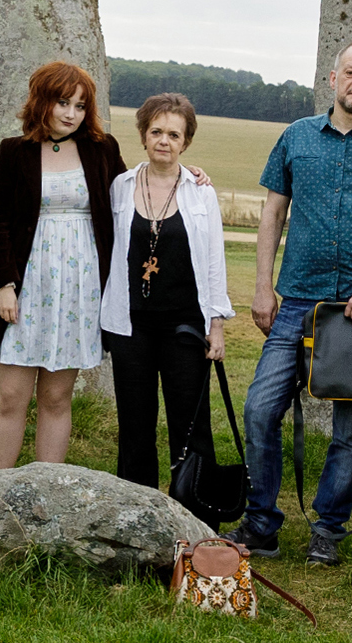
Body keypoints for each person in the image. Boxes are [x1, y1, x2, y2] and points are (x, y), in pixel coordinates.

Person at [223, 41, 352, 568]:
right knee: (260, 409)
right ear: (333, 79)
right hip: (298, 305)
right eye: (351, 72)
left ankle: (328, 529)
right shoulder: (295, 138)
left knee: (349, 430)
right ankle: (261, 524)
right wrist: (262, 286)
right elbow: (272, 215)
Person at [0, 61, 124, 470]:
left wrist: (184, 176)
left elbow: (134, 194)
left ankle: (47, 493)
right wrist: (4, 283)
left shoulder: (102, 148)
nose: (71, 113)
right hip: (25, 284)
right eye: (62, 103)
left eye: (79, 105)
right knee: (11, 398)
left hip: (79, 287)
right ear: (42, 102)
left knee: (57, 398)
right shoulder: (13, 151)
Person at [100, 93, 233, 489]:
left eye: (173, 134)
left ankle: (196, 516)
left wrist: (217, 326)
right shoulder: (120, 188)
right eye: (156, 131)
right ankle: (138, 514)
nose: (164, 140)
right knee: (135, 425)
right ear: (143, 135)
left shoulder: (200, 192)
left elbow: (213, 261)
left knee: (191, 427)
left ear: (185, 142)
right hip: (131, 327)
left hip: (185, 328)